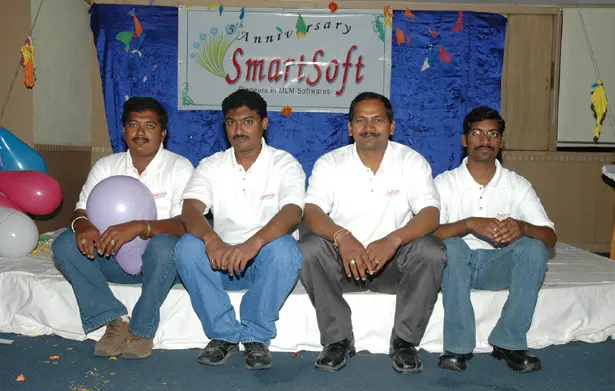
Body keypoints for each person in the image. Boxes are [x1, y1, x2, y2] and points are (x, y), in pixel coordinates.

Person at [299, 92, 446, 374]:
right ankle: (338, 340)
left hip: (393, 266)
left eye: (378, 120)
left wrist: (393, 240)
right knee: (309, 247)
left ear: (391, 126)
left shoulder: (411, 161)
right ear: (350, 127)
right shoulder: (330, 163)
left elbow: (430, 213)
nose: (369, 127)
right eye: (361, 120)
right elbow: (312, 212)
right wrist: (342, 237)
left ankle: (404, 342)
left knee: (431, 249)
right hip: (345, 264)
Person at [52, 97, 194, 359]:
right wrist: (82, 225)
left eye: (149, 126)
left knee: (165, 245)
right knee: (64, 244)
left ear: (163, 132)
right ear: (124, 130)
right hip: (111, 258)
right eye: (133, 125)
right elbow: (80, 211)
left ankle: (142, 329)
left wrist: (140, 227)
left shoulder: (180, 167)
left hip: (161, 265)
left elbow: (186, 224)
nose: (140, 133)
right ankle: (112, 321)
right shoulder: (106, 166)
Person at [175, 89, 305, 370]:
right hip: (221, 260)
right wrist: (211, 239)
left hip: (265, 263)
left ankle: (256, 336)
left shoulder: (284, 163)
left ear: (264, 124)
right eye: (231, 122)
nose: (239, 129)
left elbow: (293, 212)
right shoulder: (212, 164)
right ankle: (223, 334)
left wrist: (253, 244)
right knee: (187, 247)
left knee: (285, 248)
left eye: (248, 121)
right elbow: (190, 209)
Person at [434, 106, 557, 373]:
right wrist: (468, 223)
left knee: (534, 248)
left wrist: (523, 227)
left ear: (501, 142)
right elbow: (425, 234)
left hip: (498, 267)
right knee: (451, 246)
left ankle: (509, 341)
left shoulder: (517, 184)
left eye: (493, 134)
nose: (485, 140)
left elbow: (550, 237)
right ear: (464, 140)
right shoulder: (444, 184)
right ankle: (457, 347)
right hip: (455, 266)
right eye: (477, 133)